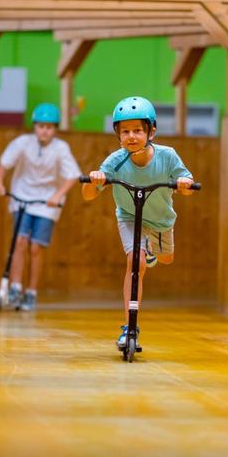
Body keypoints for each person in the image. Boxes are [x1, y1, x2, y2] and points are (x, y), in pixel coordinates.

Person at [81, 96, 195, 349]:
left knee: (165, 259)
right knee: (135, 262)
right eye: (125, 131)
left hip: (161, 220)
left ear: (151, 131)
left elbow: (187, 186)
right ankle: (129, 327)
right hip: (130, 217)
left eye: (137, 130)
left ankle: (152, 252)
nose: (131, 136)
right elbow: (88, 196)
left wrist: (185, 184)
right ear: (118, 135)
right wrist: (95, 182)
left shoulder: (167, 156)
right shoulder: (115, 161)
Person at [0, 103, 81, 311]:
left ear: (55, 129)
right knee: (20, 242)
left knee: (35, 248)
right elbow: (4, 163)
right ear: (34, 126)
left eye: (49, 127)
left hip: (47, 204)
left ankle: (31, 292)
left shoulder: (61, 148)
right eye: (41, 126)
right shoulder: (23, 143)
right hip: (22, 197)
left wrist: (58, 195)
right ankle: (15, 287)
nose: (44, 131)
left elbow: (73, 175)